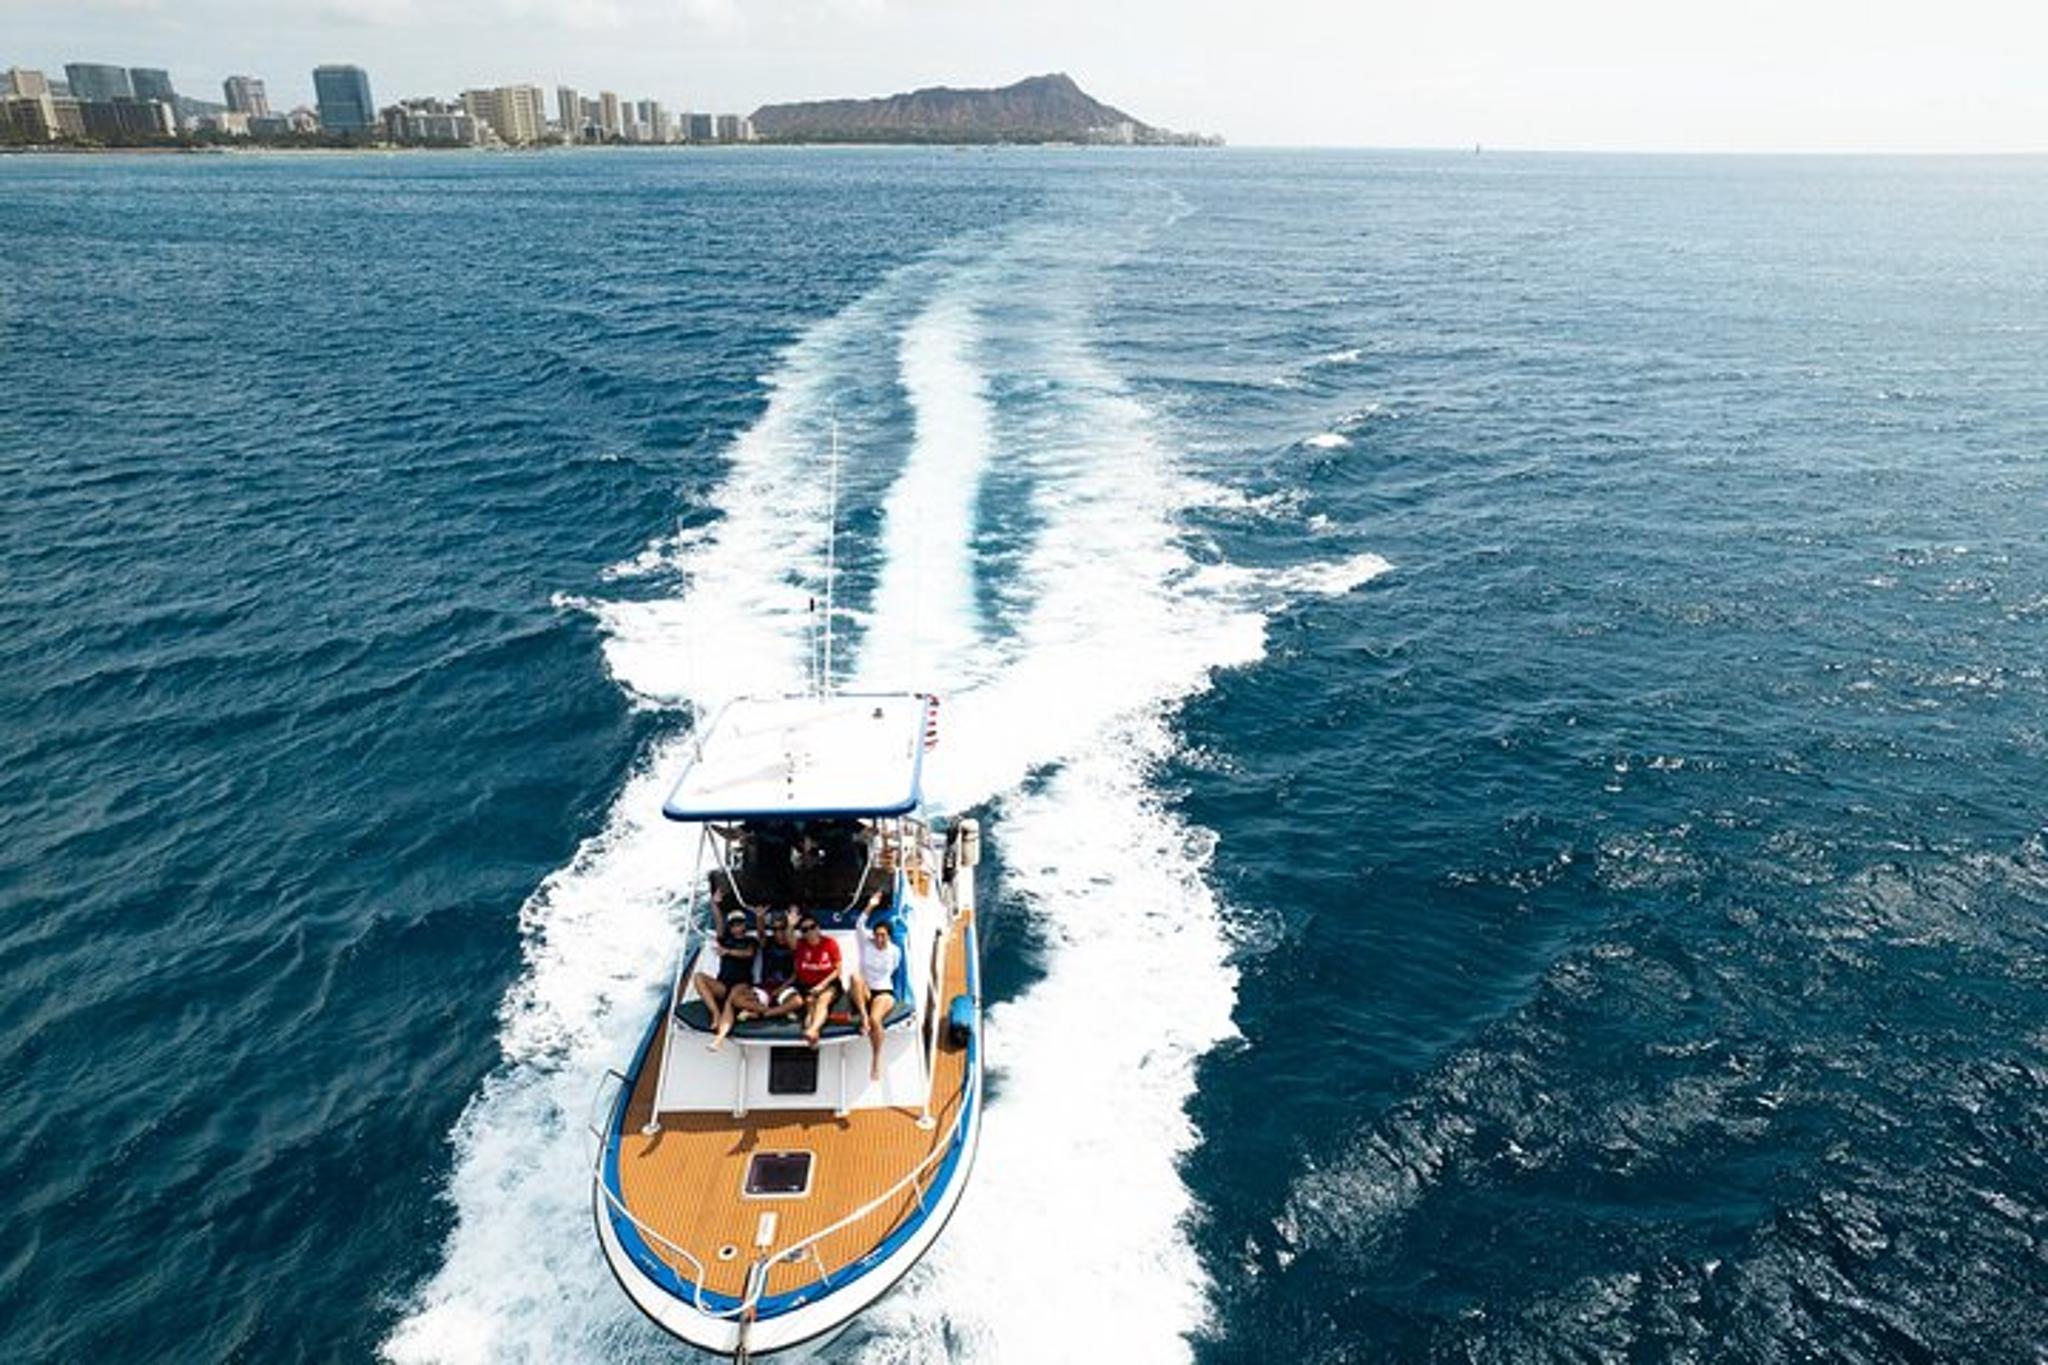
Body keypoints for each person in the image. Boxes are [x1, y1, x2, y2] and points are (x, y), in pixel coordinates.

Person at [714, 905, 804, 1042]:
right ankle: (778, 1011)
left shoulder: (793, 945)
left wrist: (781, 988)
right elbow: (761, 934)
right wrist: (759, 917)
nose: (778, 932)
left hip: (783, 988)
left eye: (782, 928)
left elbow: (796, 974)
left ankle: (764, 1013)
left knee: (797, 1001)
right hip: (765, 988)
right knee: (736, 1000)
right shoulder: (768, 943)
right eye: (775, 929)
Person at [851, 889, 903, 1081]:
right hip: (864, 989)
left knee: (876, 1020)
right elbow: (859, 924)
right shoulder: (866, 942)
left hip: (883, 991)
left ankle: (875, 1061)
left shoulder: (895, 951)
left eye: (884, 936)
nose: (880, 939)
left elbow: (894, 969)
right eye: (877, 935)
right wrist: (871, 905)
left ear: (889, 936)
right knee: (855, 977)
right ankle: (863, 1017)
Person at [694, 907, 756, 1050]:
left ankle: (718, 1040)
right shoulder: (725, 940)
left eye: (739, 923)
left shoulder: (750, 941)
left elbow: (748, 954)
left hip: (742, 984)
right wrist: (715, 904)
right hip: (723, 984)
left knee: (729, 1002)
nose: (736, 927)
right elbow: (718, 922)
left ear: (744, 924)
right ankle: (715, 1012)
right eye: (733, 924)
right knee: (698, 977)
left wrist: (727, 951)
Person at [792, 913, 843, 1048]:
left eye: (812, 927)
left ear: (818, 928)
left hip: (828, 983)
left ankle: (812, 1030)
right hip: (807, 984)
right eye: (805, 929)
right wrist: (791, 925)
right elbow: (789, 939)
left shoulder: (829, 943)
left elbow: (838, 970)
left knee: (823, 1001)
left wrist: (821, 985)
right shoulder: (801, 945)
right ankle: (813, 1036)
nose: (809, 931)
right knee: (810, 1006)